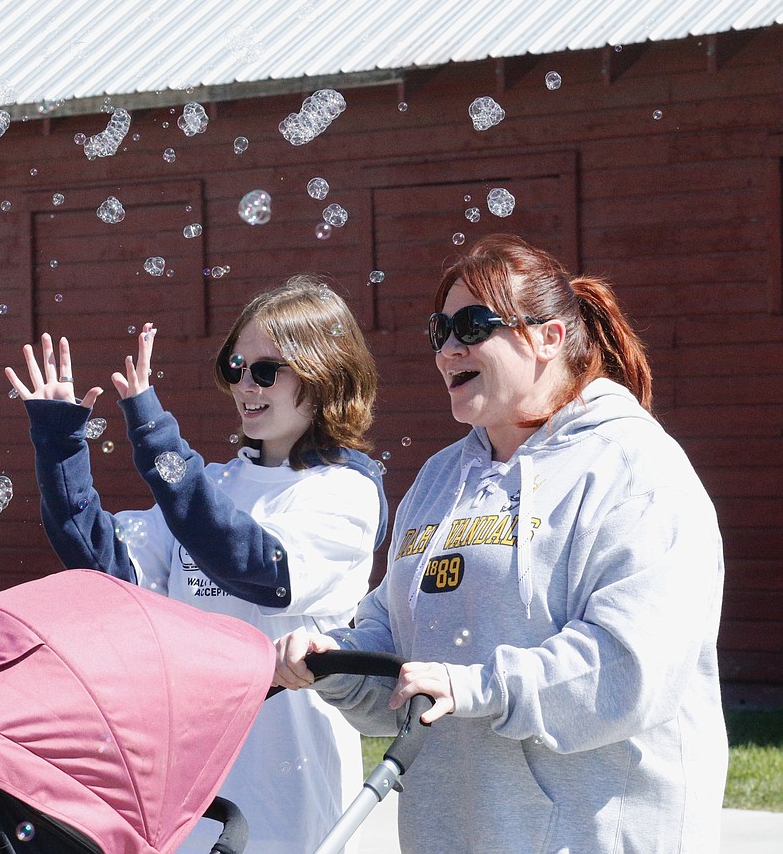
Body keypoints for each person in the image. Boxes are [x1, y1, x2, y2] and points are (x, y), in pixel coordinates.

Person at [274, 234, 727, 853]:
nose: (448, 349)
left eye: (472, 325)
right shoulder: (439, 480)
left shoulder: (637, 469)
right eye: (440, 331)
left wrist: (476, 687)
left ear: (549, 338)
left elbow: (631, 666)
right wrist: (336, 661)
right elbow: (399, 648)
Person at [5, 276, 389, 854]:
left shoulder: (346, 489)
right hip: (194, 790)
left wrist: (153, 430)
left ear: (324, 374)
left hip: (296, 793)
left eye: (266, 370)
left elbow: (254, 565)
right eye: (236, 367)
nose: (244, 385)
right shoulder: (212, 483)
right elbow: (107, 568)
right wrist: (60, 442)